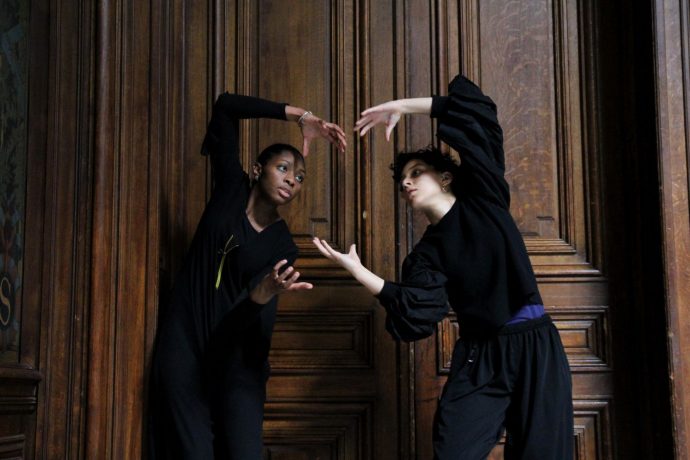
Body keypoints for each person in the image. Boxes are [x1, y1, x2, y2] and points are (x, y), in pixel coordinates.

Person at [313, 75, 573, 459]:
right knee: (454, 451)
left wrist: (402, 106)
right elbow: (420, 310)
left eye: (416, 173)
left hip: (535, 344)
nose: (406, 183)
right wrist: (359, 271)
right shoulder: (425, 255)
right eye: (402, 180)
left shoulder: (485, 198)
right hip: (480, 357)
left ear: (446, 178)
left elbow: (478, 113)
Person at [149, 92, 346, 459]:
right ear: (257, 170)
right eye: (284, 168)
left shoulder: (283, 246)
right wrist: (300, 115)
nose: (292, 180)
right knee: (191, 452)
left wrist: (262, 294)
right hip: (186, 341)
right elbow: (225, 106)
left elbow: (249, 326)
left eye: (300, 177)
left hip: (238, 363)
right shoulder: (229, 189)